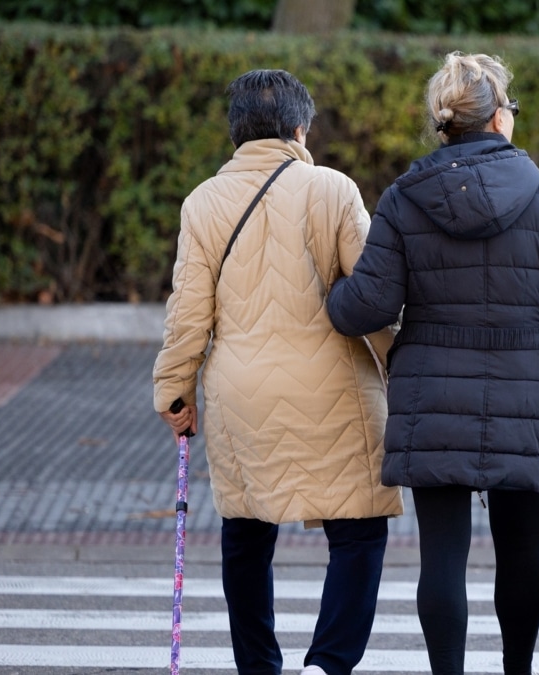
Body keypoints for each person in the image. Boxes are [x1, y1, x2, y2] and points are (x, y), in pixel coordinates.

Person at [326, 51, 539, 675]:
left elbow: (368, 304)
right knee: (520, 554)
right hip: (526, 397)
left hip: (431, 400)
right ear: (498, 120)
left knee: (442, 560)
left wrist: (331, 294)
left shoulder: (405, 199)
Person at [152, 69, 403, 675]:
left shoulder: (203, 202)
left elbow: (188, 313)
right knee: (359, 530)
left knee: (246, 531)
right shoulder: (333, 190)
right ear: (300, 127)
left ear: (236, 132)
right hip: (336, 391)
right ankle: (327, 664)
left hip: (242, 395)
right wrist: (403, 363)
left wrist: (173, 389)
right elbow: (372, 299)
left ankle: (259, 666)